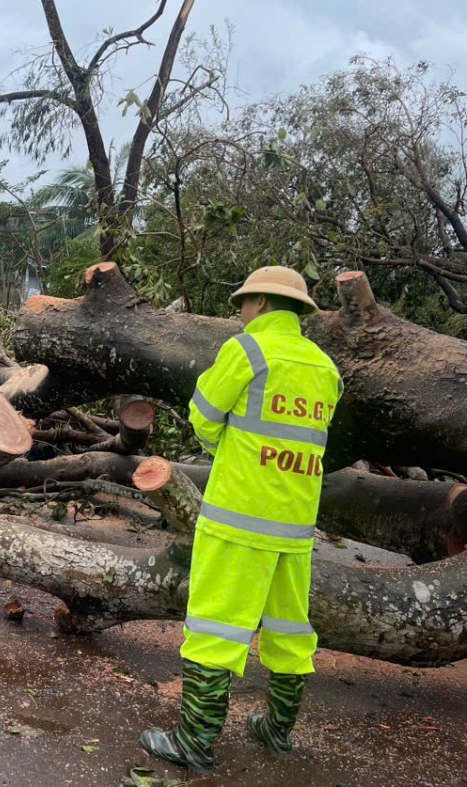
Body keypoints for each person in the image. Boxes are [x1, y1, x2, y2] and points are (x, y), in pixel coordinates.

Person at [140, 267, 343, 773]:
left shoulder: (246, 351)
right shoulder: (325, 368)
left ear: (263, 304)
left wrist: (226, 451)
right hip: (295, 526)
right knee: (289, 629)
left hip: (238, 520)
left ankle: (195, 742)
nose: (240, 314)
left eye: (244, 304)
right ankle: (277, 730)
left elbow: (203, 414)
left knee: (215, 626)